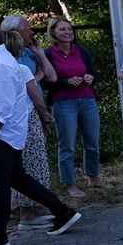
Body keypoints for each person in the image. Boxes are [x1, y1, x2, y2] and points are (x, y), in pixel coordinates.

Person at [0, 18, 82, 245]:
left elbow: (2, 105)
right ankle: (63, 212)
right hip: (7, 133)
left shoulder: (0, 64)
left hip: (2, 135)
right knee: (18, 179)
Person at [0, 15, 57, 221]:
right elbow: (30, 91)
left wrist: (39, 58)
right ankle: (29, 214)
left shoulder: (23, 57)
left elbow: (50, 77)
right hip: (22, 117)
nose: (32, 33)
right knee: (31, 163)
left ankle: (32, 210)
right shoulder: (11, 63)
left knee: (21, 166)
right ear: (15, 34)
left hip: (17, 118)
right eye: (28, 29)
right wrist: (44, 114)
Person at [43, 17, 104, 199]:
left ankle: (93, 176)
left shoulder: (82, 50)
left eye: (69, 29)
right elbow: (45, 82)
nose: (68, 32)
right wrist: (66, 82)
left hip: (87, 99)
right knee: (67, 145)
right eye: (62, 29)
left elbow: (93, 72)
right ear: (53, 32)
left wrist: (90, 77)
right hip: (64, 103)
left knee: (92, 142)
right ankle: (70, 183)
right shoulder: (48, 54)